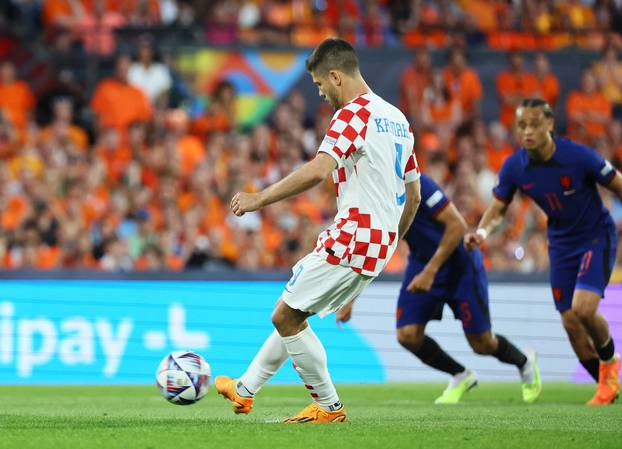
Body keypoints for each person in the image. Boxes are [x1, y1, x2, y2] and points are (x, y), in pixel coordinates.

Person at [215, 38, 421, 423]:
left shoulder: (352, 114)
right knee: (297, 309)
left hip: (356, 232)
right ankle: (244, 390)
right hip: (379, 242)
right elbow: (414, 197)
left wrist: (259, 199)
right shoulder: (397, 119)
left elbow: (318, 170)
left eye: (319, 85)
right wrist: (390, 244)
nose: (321, 93)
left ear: (335, 76)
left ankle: (329, 406)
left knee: (285, 317)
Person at [465, 98, 621, 406]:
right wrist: (481, 232)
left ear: (549, 124)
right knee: (570, 323)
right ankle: (606, 385)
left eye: (534, 124)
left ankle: (610, 364)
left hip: (595, 237)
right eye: (522, 125)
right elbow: (498, 207)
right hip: (561, 244)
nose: (527, 131)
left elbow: (617, 183)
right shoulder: (515, 167)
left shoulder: (578, 157)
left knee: (584, 309)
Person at [337, 173, 542, 404]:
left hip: (458, 263)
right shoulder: (374, 192)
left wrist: (430, 271)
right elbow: (375, 246)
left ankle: (524, 361)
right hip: (422, 262)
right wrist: (351, 297)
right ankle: (461, 375)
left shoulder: (417, 182)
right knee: (408, 335)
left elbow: (457, 226)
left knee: (482, 343)